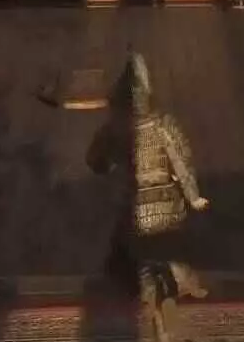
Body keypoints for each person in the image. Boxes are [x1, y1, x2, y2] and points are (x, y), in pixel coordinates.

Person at [88, 53, 209, 295]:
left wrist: (109, 167)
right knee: (170, 248)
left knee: (137, 250)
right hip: (166, 205)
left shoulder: (116, 128)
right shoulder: (163, 123)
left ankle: (146, 285)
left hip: (134, 206)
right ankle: (178, 282)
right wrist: (194, 197)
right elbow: (181, 162)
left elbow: (96, 161)